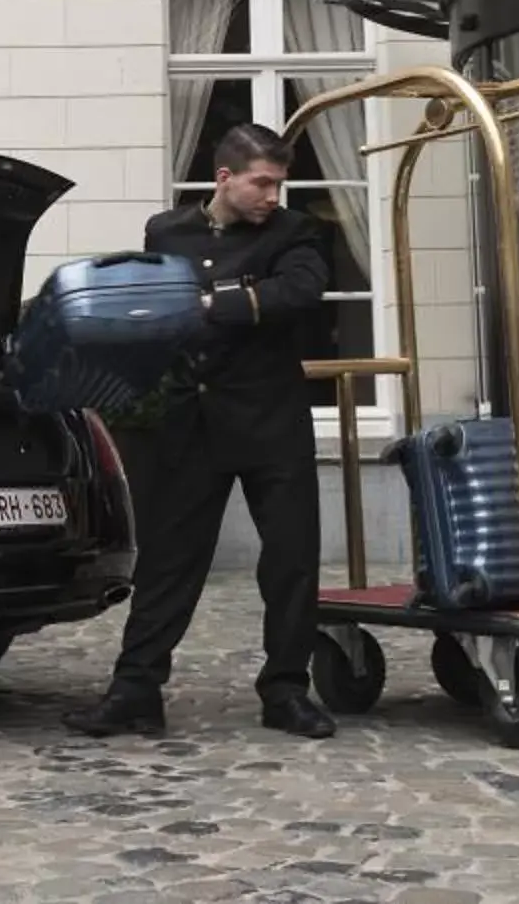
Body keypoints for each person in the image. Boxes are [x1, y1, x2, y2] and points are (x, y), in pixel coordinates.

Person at [65, 121, 336, 740]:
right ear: (224, 177)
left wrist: (213, 303)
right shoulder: (168, 231)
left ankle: (287, 690)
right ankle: (136, 689)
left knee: (291, 559)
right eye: (261, 183)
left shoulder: (295, 231)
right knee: (169, 560)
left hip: (270, 418)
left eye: (278, 183)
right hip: (190, 421)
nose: (272, 195)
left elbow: (301, 291)